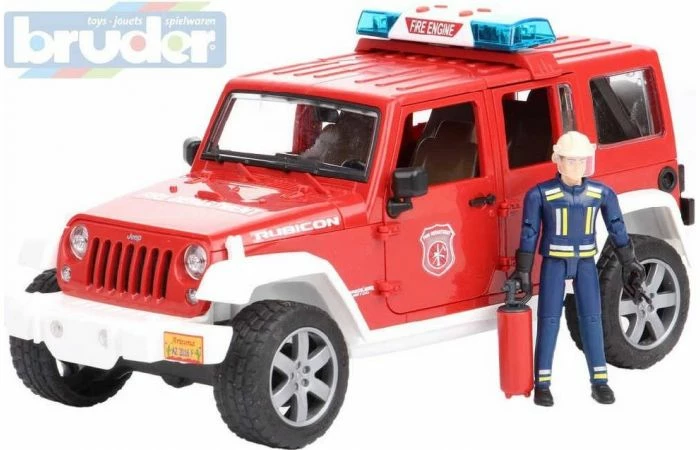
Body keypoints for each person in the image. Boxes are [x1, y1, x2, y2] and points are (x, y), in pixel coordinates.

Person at [509, 131, 645, 406]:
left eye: (582, 160)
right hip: (553, 262)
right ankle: (542, 384)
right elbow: (529, 232)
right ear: (557, 160)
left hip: (585, 262)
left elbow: (617, 227)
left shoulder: (601, 193)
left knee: (593, 319)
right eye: (571, 160)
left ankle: (600, 381)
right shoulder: (540, 194)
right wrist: (523, 269)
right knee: (548, 320)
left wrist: (629, 260)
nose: (577, 166)